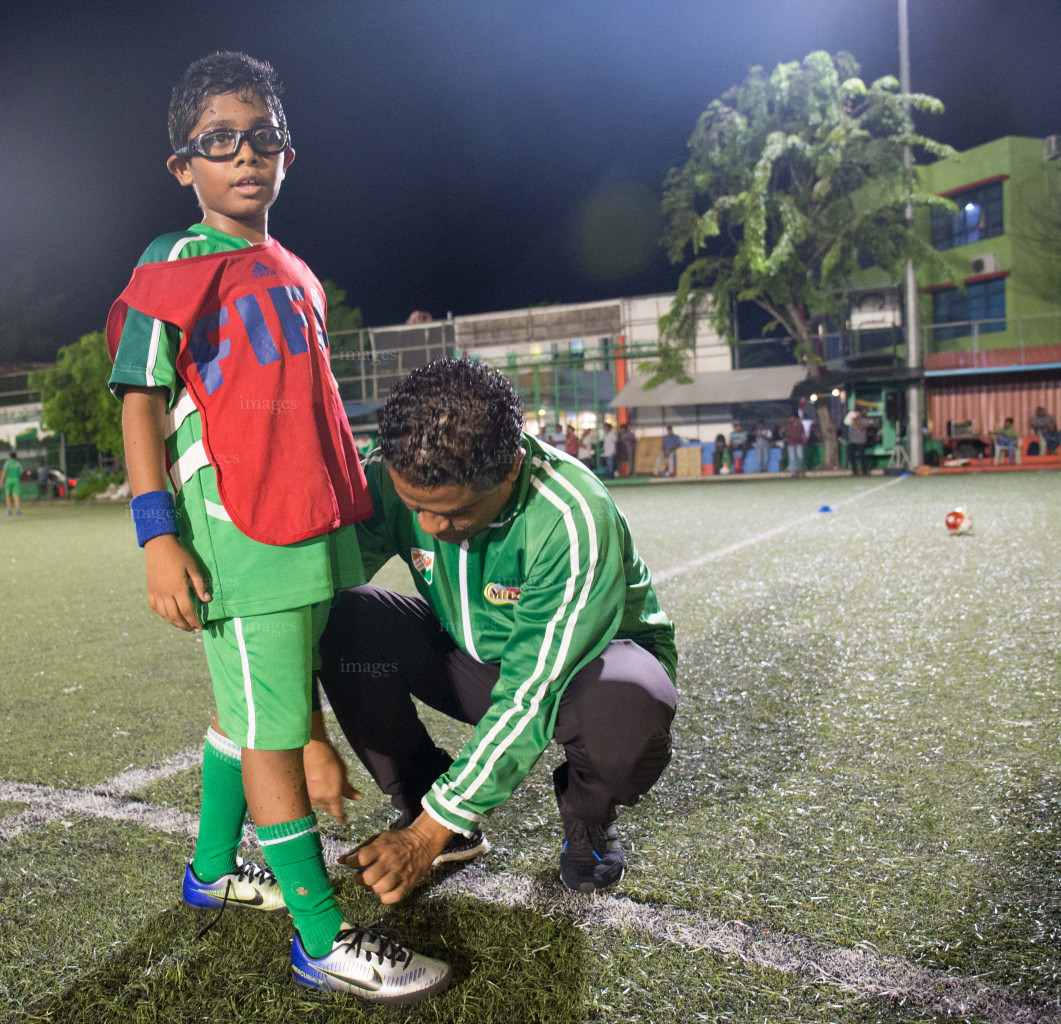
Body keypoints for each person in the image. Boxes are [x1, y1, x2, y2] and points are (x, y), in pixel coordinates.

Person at [106, 52, 448, 1003]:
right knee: (273, 733)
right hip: (239, 536)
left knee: (246, 712)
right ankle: (320, 936)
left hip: (302, 532)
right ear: (185, 164)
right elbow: (139, 398)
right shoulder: (173, 261)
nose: (245, 157)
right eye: (221, 141)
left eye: (263, 138)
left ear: (288, 154)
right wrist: (155, 534)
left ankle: (214, 868)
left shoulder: (292, 268)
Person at [311, 360, 677, 904]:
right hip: (473, 658)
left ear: (512, 467)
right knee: (345, 617)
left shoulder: (569, 515)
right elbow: (308, 596)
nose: (434, 528)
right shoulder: (387, 481)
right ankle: (423, 792)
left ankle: (587, 819)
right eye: (417, 509)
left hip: (587, 673)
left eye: (455, 515)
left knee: (628, 708)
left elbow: (534, 690)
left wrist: (421, 839)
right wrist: (308, 734)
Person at [780, 413, 806, 477]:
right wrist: (783, 437)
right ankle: (793, 473)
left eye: (791, 418)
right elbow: (781, 430)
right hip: (790, 444)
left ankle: (800, 470)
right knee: (792, 459)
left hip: (799, 443)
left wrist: (805, 439)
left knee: (800, 457)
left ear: (795, 418)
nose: (790, 419)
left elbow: (803, 433)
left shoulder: (800, 425)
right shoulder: (788, 425)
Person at [0, 450, 23, 516]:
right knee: (16, 495)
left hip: (8, 480)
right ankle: (18, 510)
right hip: (16, 480)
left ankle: (9, 510)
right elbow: (20, 472)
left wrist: (1, 480)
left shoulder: (7, 463)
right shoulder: (18, 463)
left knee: (7, 495)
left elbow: (4, 472)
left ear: (10, 456)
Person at [847, 410, 870, 475]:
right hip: (852, 441)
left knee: (862, 457)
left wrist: (855, 420)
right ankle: (854, 471)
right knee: (852, 457)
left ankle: (864, 471)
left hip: (861, 442)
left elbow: (860, 427)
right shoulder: (853, 419)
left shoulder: (865, 420)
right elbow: (846, 422)